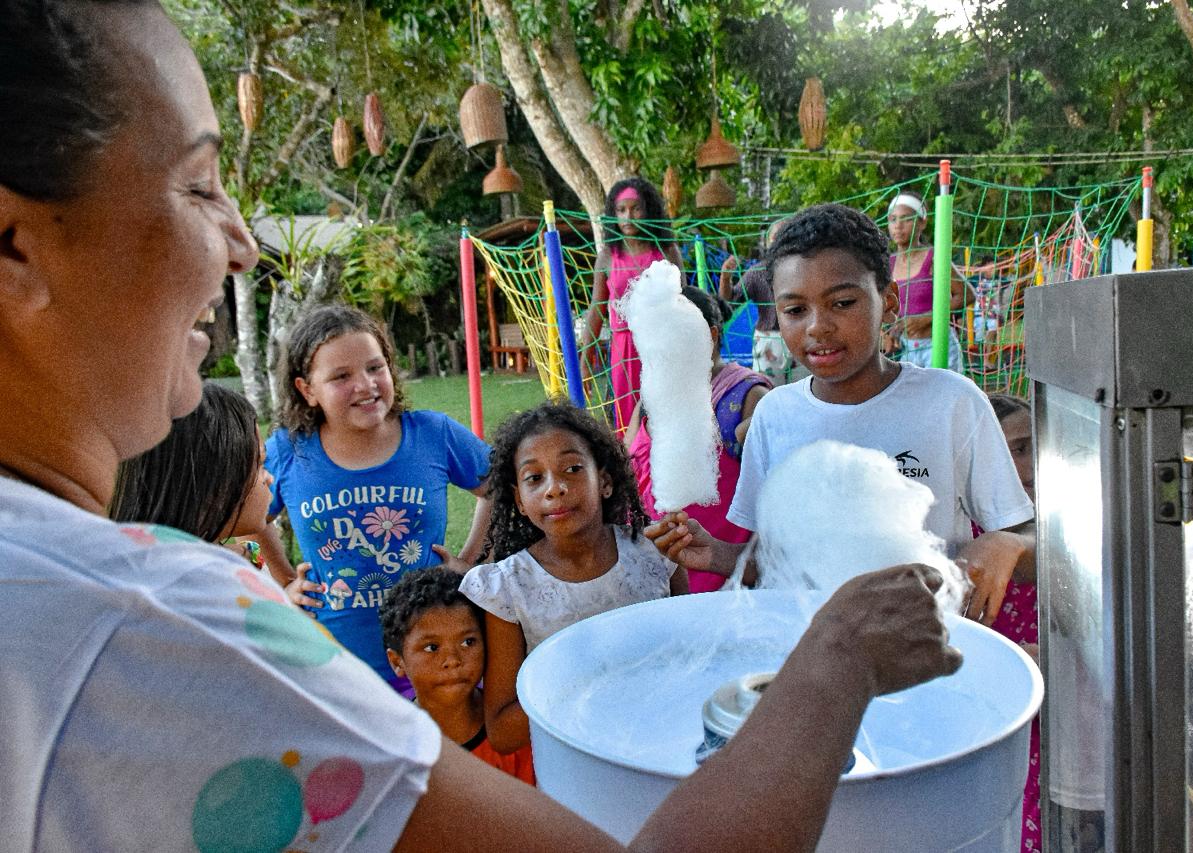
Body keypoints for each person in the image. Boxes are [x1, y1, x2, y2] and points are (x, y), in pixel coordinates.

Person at [0, 3, 961, 850]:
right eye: (202, 184)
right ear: (16, 246)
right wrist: (837, 660)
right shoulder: (153, 626)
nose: (241, 242)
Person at [650, 203, 1035, 625]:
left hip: (922, 654)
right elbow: (775, 560)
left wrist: (1007, 543)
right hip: (807, 651)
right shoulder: (775, 416)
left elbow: (1033, 545)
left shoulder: (951, 403)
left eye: (842, 302)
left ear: (888, 302)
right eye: (795, 310)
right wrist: (718, 554)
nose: (818, 327)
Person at [264, 303, 493, 692]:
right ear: (307, 390)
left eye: (375, 367)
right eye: (341, 376)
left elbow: (500, 489)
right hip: (333, 667)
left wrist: (471, 561)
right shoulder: (288, 451)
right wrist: (283, 581)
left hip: (435, 664)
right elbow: (247, 517)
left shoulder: (434, 435)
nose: (366, 385)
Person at [461, 402, 690, 753]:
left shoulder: (658, 554)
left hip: (662, 742)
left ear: (606, 482)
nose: (554, 488)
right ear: (519, 501)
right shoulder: (507, 590)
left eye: (572, 468)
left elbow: (692, 662)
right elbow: (504, 731)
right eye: (534, 478)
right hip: (576, 765)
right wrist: (592, 679)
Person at [626, 287, 770, 592]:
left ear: (711, 337)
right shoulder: (647, 403)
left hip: (725, 590)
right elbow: (628, 474)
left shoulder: (746, 398)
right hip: (656, 586)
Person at [108, 380, 291, 576]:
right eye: (259, 465)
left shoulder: (242, 558)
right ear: (214, 483)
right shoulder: (209, 584)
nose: (269, 478)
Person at [382, 567, 536, 785]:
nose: (452, 659)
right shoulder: (388, 746)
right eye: (432, 647)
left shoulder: (513, 735)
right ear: (397, 662)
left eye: (467, 642)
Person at [584, 178, 684, 431]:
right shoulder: (607, 256)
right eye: (621, 210)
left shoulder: (666, 251)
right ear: (613, 215)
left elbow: (685, 301)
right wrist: (585, 359)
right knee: (626, 419)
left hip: (662, 346)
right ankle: (631, 469)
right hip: (624, 350)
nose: (628, 216)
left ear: (648, 210)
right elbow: (596, 309)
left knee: (665, 416)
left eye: (635, 208)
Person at [986, 393, 1040, 853]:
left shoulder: (1073, 521)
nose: (1028, 466)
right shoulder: (973, 543)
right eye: (1013, 452)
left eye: (1030, 446)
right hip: (1009, 731)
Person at [882, 190, 975, 374]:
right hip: (907, 350)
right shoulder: (888, 264)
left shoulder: (934, 258)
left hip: (938, 345)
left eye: (906, 219)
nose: (898, 226)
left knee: (945, 399)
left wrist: (928, 318)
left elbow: (966, 295)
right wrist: (885, 333)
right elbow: (880, 303)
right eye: (893, 219)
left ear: (922, 222)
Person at [719, 217, 809, 385]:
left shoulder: (806, 270)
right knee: (767, 391)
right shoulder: (757, 272)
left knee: (805, 391)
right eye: (777, 238)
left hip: (801, 335)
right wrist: (725, 278)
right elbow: (729, 300)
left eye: (787, 237)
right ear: (769, 243)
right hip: (769, 340)